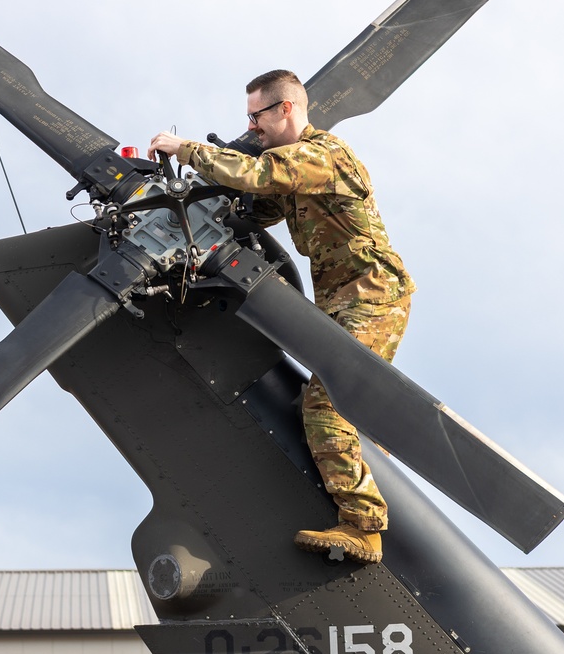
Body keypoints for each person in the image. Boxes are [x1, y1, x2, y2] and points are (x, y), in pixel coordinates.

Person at [148, 70, 414, 565]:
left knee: (327, 405)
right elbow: (252, 207)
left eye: (258, 115)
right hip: (338, 298)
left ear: (286, 109)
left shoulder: (322, 156)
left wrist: (186, 149)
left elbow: (257, 176)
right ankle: (378, 485)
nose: (253, 127)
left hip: (373, 293)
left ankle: (364, 526)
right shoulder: (292, 171)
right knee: (346, 408)